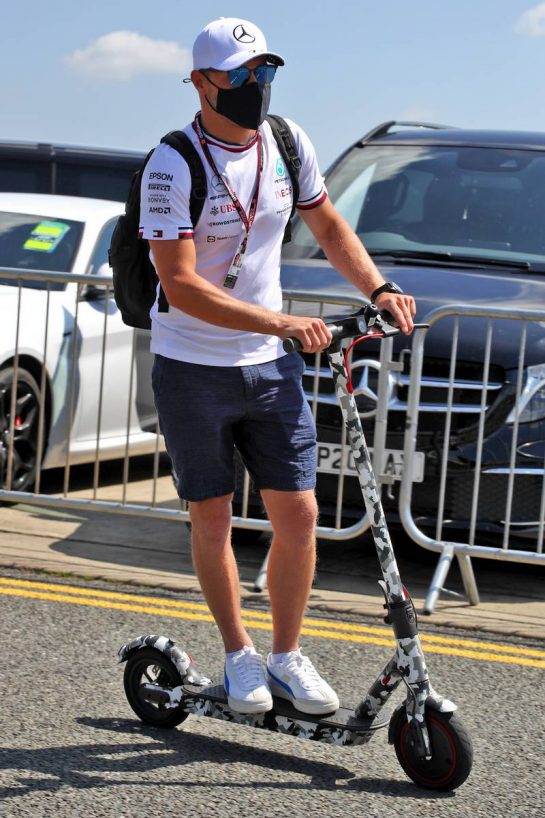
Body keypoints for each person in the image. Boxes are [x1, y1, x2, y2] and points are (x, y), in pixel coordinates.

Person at [139, 17, 416, 716]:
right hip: (192, 364)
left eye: (264, 72)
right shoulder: (172, 164)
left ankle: (287, 655)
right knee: (213, 517)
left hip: (268, 366)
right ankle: (238, 657)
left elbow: (326, 224)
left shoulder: (287, 143)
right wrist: (285, 322)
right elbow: (179, 285)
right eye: (239, 76)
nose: (254, 86)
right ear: (202, 83)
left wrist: (376, 289)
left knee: (298, 513)